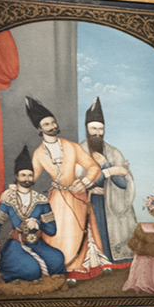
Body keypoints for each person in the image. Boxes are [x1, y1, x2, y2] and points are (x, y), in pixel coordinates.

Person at [25, 96, 107, 280]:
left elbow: (94, 167)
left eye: (53, 122)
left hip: (77, 195)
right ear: (39, 129)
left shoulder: (72, 147)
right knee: (58, 233)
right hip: (56, 199)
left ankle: (80, 269)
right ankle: (61, 268)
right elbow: (31, 178)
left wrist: (84, 182)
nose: (52, 126)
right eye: (47, 124)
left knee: (78, 232)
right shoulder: (38, 154)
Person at [0, 148, 66, 283]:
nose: (27, 179)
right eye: (23, 175)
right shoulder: (9, 199)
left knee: (58, 259)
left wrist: (38, 224)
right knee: (31, 269)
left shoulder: (41, 200)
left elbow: (52, 230)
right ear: (17, 176)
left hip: (38, 244)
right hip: (16, 244)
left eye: (30, 175)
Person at [83, 97, 137, 266]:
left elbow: (123, 183)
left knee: (111, 235)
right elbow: (80, 182)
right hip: (88, 201)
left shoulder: (114, 152)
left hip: (111, 201)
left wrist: (107, 165)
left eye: (101, 129)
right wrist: (108, 172)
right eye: (94, 128)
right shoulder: (79, 151)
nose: (97, 133)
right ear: (87, 128)